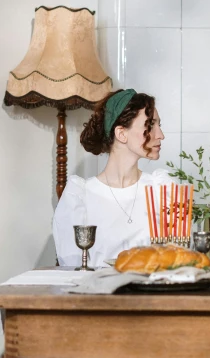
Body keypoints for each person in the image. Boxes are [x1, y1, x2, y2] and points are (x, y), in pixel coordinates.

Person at [53, 89, 169, 267]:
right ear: (121, 133)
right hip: (98, 293)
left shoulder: (162, 189)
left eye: (159, 125)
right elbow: (72, 270)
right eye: (151, 125)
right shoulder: (79, 197)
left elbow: (175, 260)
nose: (160, 134)